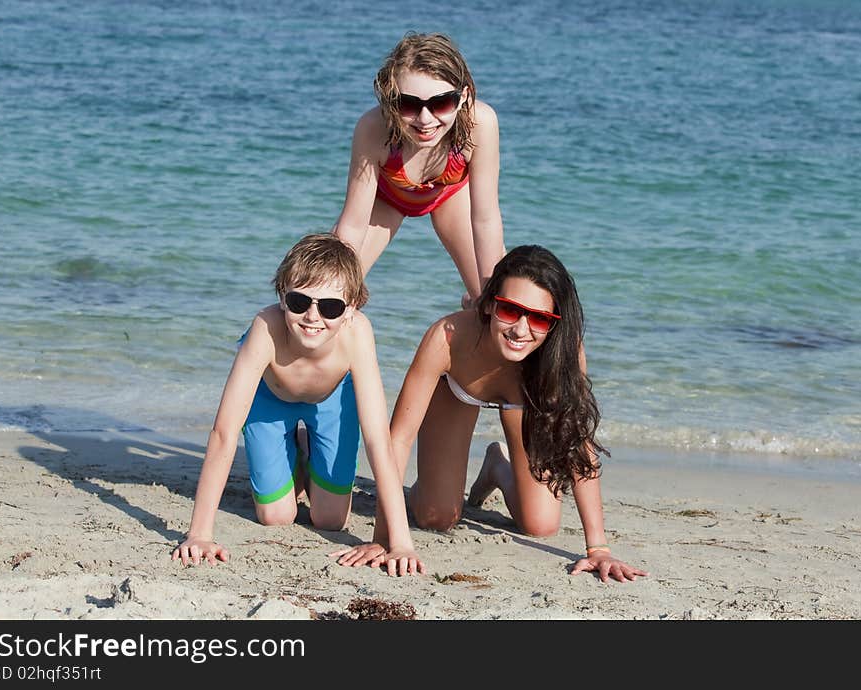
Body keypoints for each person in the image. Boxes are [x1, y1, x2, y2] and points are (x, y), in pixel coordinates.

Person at [335, 245, 648, 583]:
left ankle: (497, 467)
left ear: (555, 323)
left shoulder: (563, 353)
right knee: (436, 515)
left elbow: (576, 443)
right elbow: (398, 439)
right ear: (489, 304)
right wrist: (385, 539)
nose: (521, 329)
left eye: (540, 318)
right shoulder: (446, 337)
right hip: (456, 392)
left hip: (524, 401)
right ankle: (429, 487)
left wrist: (597, 549)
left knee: (540, 525)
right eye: (511, 311)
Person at [172, 234, 423, 576]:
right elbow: (224, 430)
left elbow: (378, 438)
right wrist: (199, 534)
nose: (312, 316)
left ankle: (305, 450)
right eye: (299, 302)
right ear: (282, 297)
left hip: (332, 401)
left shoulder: (358, 334)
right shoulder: (266, 328)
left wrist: (401, 543)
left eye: (330, 306)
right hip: (270, 402)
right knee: (276, 516)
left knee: (330, 520)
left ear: (351, 309)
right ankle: (293, 452)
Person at [333, 32, 505, 308]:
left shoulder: (481, 123)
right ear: (391, 99)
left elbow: (485, 220)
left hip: (449, 197)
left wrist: (492, 293)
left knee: (493, 305)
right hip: (387, 200)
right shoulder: (373, 128)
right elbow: (353, 224)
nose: (425, 119)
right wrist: (333, 288)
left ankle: (474, 305)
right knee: (333, 296)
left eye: (441, 103)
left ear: (464, 96)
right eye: (409, 104)